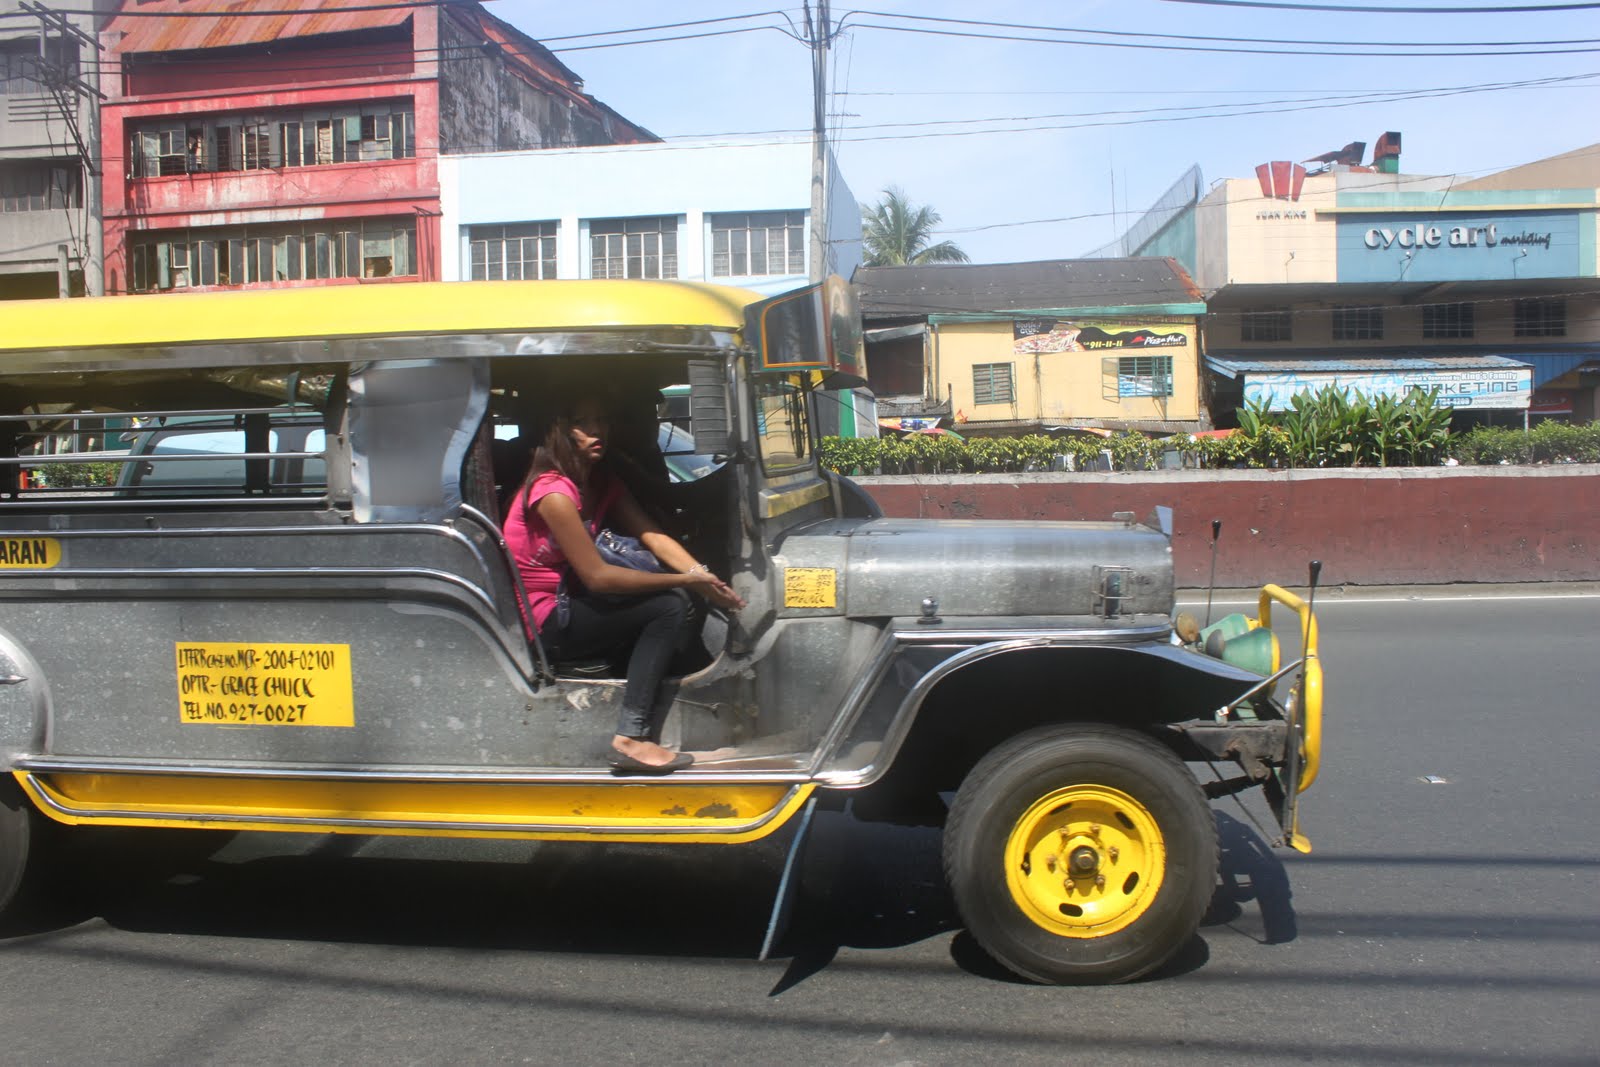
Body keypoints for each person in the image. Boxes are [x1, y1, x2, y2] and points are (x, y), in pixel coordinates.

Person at [504, 393, 744, 775]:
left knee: (683, 597)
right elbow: (597, 578)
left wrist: (703, 576)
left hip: (574, 600)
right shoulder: (553, 493)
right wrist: (686, 581)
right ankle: (631, 737)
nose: (597, 431)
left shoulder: (599, 481)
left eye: (602, 420)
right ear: (561, 431)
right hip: (545, 617)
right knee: (668, 605)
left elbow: (652, 534)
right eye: (583, 422)